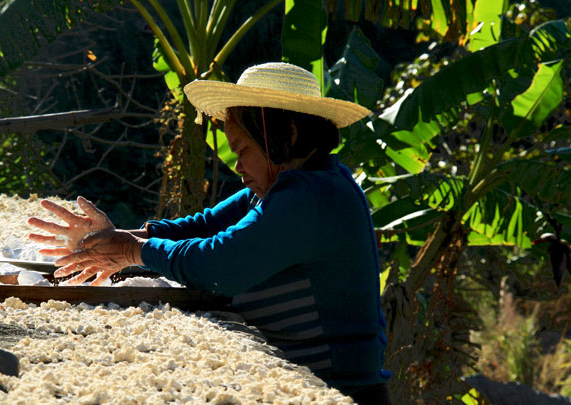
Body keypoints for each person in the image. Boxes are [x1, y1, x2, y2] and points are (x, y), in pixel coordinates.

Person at [28, 62, 392, 404]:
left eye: (243, 149)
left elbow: (220, 264)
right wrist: (116, 237)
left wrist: (132, 251)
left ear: (287, 134)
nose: (237, 166)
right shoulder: (276, 188)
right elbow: (200, 227)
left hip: (339, 391)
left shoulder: (311, 196)